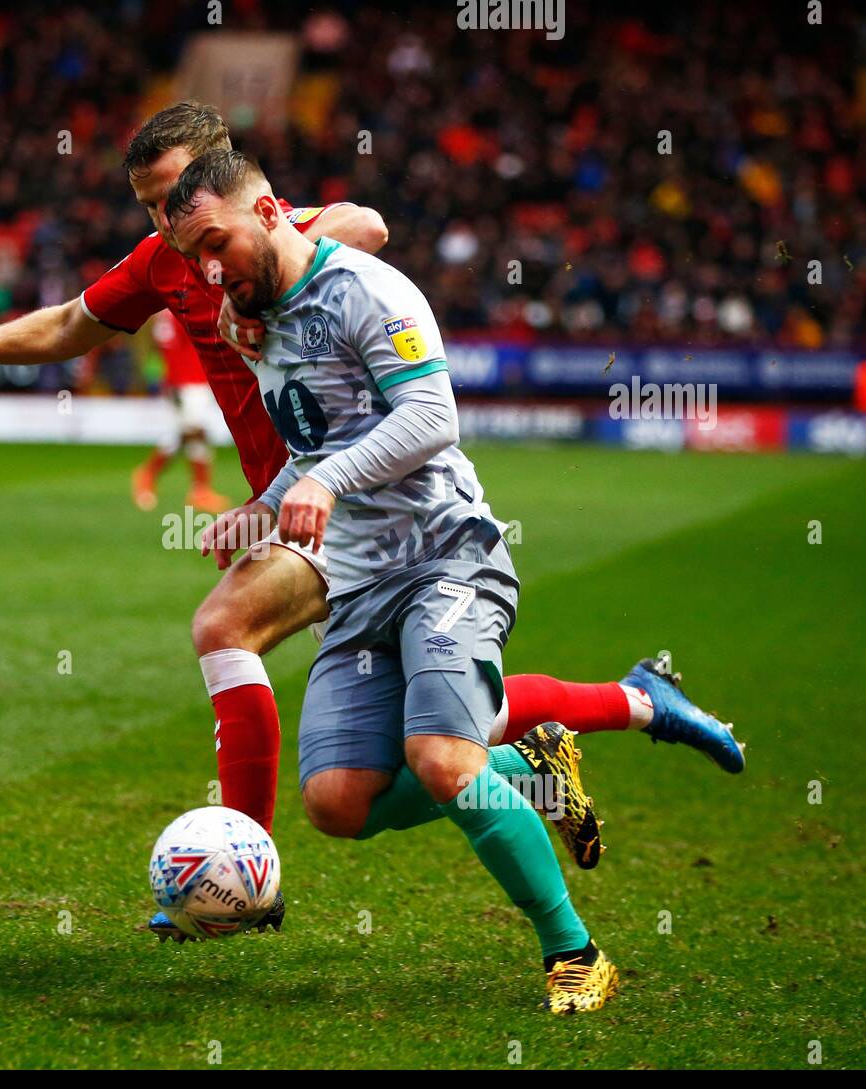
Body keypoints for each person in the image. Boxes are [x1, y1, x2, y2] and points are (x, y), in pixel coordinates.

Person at [0, 103, 744, 943]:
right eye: (154, 210)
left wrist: (292, 235)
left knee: (234, 630)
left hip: (356, 498)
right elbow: (72, 324)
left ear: (227, 181)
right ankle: (596, 725)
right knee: (415, 743)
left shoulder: (264, 232)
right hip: (289, 495)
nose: (168, 226)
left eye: (178, 201)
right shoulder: (169, 260)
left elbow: (367, 225)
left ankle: (246, 870)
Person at [168, 149, 619, 1012]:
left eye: (215, 243)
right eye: (194, 258)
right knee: (337, 801)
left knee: (442, 757)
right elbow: (314, 443)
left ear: (269, 214)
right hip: (360, 580)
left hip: (448, 553)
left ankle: (575, 949)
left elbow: (431, 415)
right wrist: (263, 505)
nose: (209, 270)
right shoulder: (254, 321)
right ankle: (528, 769)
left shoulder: (370, 290)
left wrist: (323, 484)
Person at [131, 311, 230, 515]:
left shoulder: (168, 311)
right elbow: (171, 348)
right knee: (195, 429)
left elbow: (165, 346)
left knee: (192, 433)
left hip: (193, 380)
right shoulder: (180, 308)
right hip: (188, 381)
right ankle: (149, 472)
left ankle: (200, 491)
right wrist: (175, 384)